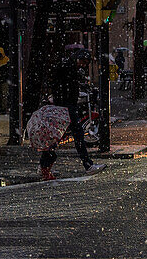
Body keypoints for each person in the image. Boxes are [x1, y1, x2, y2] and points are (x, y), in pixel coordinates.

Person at [39, 45, 102, 180]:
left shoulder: (68, 66)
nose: (83, 66)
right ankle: (87, 165)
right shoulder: (68, 67)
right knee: (76, 134)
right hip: (66, 106)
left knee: (57, 136)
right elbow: (62, 85)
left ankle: (44, 166)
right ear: (79, 59)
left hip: (64, 104)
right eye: (83, 62)